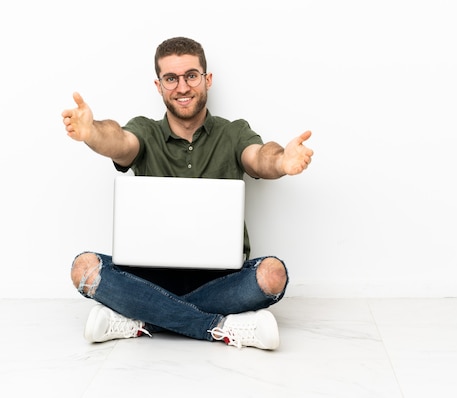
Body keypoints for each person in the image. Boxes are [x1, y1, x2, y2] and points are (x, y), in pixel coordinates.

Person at [61, 36, 313, 350]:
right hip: (149, 277)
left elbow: (260, 156)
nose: (182, 87)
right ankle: (220, 326)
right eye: (171, 78)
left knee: (273, 275)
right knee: (83, 269)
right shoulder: (145, 131)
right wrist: (92, 132)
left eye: (191, 76)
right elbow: (118, 140)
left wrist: (281, 161)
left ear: (207, 79)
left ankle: (140, 316)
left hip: (221, 279)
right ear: (159, 85)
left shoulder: (233, 132)